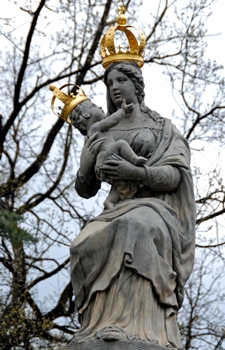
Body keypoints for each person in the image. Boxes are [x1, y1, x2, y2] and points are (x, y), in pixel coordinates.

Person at [70, 61, 196, 350]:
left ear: (136, 85)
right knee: (83, 242)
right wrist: (85, 166)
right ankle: (98, 325)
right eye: (109, 83)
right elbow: (85, 189)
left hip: (155, 209)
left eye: (119, 80)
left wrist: (137, 173)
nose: (114, 87)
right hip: (115, 207)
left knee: (134, 226)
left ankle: (140, 327)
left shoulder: (163, 129)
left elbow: (175, 176)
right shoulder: (102, 130)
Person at [69, 98, 146, 209]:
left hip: (102, 164)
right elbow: (112, 120)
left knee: (118, 183)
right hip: (107, 156)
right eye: (94, 106)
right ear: (86, 114)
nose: (100, 107)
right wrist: (122, 111)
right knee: (121, 143)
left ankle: (109, 201)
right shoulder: (96, 127)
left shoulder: (93, 133)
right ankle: (135, 159)